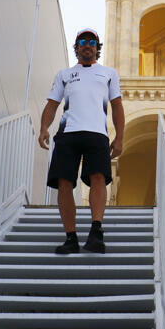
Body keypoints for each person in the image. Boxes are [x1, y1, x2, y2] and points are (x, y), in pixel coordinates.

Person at [38, 28, 124, 254]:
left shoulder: (108, 73)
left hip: (97, 134)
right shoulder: (64, 74)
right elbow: (52, 104)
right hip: (68, 134)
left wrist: (120, 138)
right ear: (76, 48)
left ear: (97, 47)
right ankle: (71, 237)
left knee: (98, 178)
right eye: (83, 41)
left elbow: (117, 106)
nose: (87, 45)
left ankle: (96, 232)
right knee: (64, 183)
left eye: (92, 41)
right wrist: (44, 127)